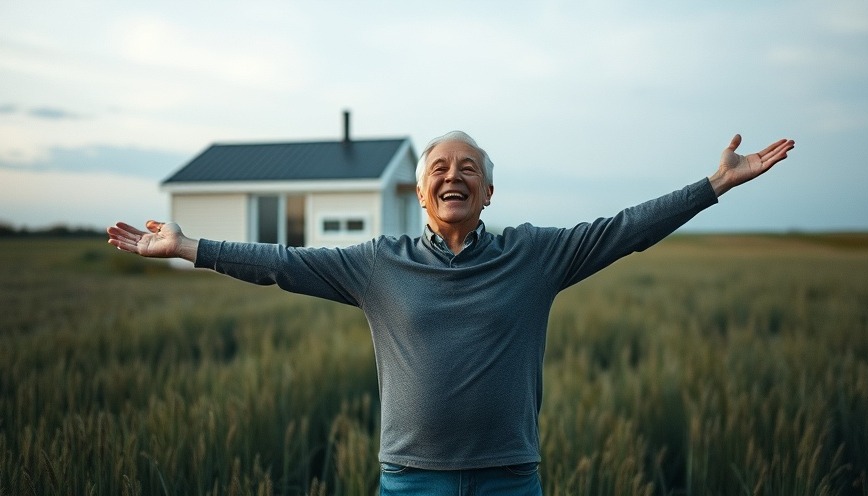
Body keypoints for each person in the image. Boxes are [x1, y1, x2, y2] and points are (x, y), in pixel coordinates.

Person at [108, 131, 794, 495]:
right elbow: (281, 264)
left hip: (508, 479)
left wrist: (712, 186)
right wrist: (188, 247)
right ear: (420, 190)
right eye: (439, 166)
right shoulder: (377, 263)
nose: (452, 174)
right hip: (410, 483)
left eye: (468, 167)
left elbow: (625, 228)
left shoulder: (535, 256)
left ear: (488, 191)